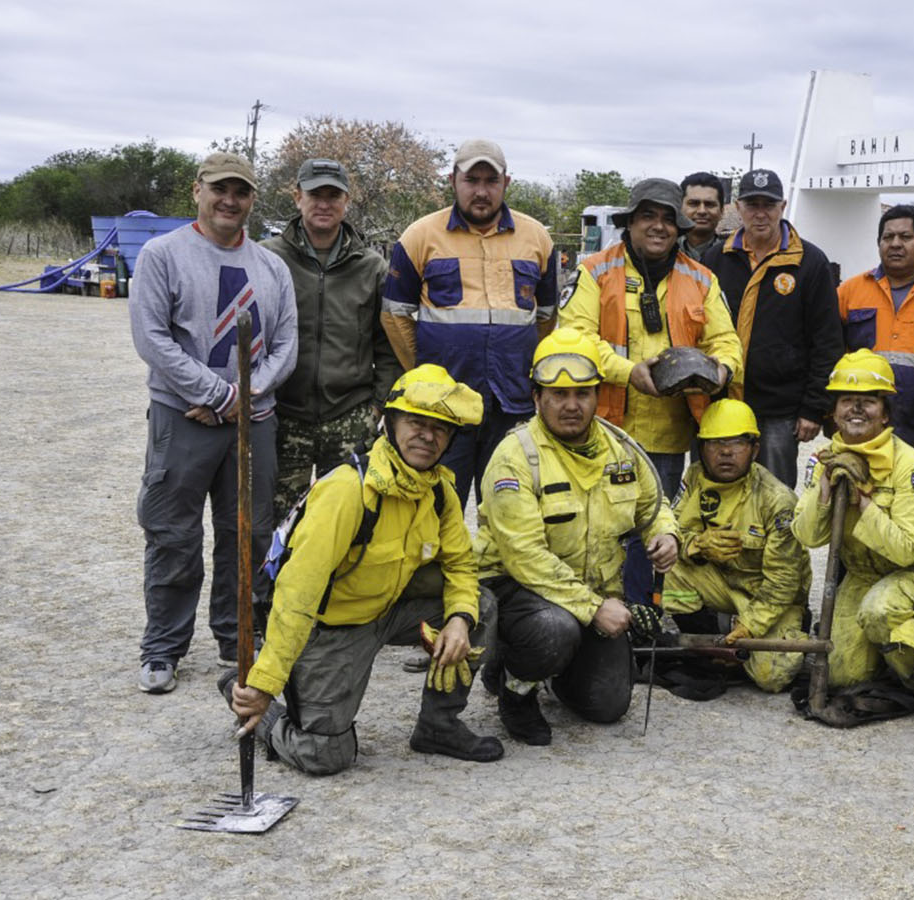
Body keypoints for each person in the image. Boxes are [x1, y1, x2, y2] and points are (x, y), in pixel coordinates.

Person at [225, 365, 504, 771]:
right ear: (388, 422)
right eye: (416, 422)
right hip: (330, 629)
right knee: (323, 755)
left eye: (441, 428)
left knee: (481, 605)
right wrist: (264, 684)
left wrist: (460, 619)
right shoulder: (348, 491)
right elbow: (296, 596)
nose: (427, 435)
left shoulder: (439, 489)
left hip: (387, 610)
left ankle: (439, 725)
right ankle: (247, 699)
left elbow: (461, 564)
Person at [129, 151, 298, 693]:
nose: (230, 200)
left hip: (255, 422)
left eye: (242, 191)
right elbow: (152, 339)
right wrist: (214, 393)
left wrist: (239, 398)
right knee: (173, 534)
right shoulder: (163, 255)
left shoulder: (271, 267)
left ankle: (237, 635)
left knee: (247, 533)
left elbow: (286, 346)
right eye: (219, 189)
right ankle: (163, 647)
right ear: (197, 191)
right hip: (184, 419)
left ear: (253, 199)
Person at [473, 327, 680, 745]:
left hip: (591, 592)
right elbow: (525, 556)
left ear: (597, 396)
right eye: (558, 395)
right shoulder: (514, 457)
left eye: (582, 394)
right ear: (537, 398)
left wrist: (666, 534)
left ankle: (552, 667)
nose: (571, 406)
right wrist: (594, 608)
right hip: (518, 588)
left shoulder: (622, 451)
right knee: (555, 630)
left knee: (607, 706)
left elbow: (653, 505)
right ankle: (514, 685)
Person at [560, 177, 742, 613]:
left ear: (679, 226)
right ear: (631, 223)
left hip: (667, 438)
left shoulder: (701, 278)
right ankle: (587, 613)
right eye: (648, 217)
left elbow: (728, 341)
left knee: (652, 532)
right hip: (602, 429)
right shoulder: (594, 272)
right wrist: (627, 373)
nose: (658, 227)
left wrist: (720, 370)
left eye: (667, 219)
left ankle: (639, 619)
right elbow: (574, 338)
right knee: (592, 527)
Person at [381, 138, 558, 507]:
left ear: (506, 183)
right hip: (443, 409)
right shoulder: (420, 236)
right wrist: (426, 374)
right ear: (452, 181)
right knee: (437, 507)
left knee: (510, 509)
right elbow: (394, 314)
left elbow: (545, 317)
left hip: (512, 404)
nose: (481, 191)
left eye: (490, 181)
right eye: (471, 180)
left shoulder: (536, 238)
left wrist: (524, 370)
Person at [791, 350, 914, 715]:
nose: (856, 409)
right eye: (847, 401)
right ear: (834, 412)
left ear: (885, 412)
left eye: (868, 402)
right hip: (866, 573)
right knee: (841, 675)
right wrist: (824, 490)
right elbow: (807, 537)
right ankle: (890, 650)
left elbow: (904, 551)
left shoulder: (910, 466)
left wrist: (863, 502)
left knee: (881, 610)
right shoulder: (824, 460)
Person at [264, 158, 400, 518]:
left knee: (346, 522)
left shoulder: (372, 268)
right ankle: (275, 578)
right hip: (283, 416)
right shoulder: (267, 258)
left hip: (350, 418)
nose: (323, 204)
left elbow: (389, 344)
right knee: (275, 525)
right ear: (297, 197)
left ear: (346, 201)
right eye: (315, 194)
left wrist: (377, 406)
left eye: (333, 195)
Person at [702, 169, 844, 488]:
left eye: (769, 204)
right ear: (737, 208)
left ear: (783, 205)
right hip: (724, 400)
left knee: (775, 493)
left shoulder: (810, 261)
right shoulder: (717, 257)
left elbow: (827, 341)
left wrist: (813, 408)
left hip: (781, 409)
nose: (760, 213)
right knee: (721, 489)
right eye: (752, 204)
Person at [661, 399, 813, 691]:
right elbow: (672, 530)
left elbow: (785, 580)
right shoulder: (694, 476)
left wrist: (752, 625)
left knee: (772, 676)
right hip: (720, 582)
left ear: (755, 450)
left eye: (737, 443)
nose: (726, 452)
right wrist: (696, 546)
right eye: (716, 443)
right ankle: (712, 650)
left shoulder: (777, 500)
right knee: (668, 568)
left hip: (766, 596)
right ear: (702, 448)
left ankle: (782, 628)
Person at [835, 204, 914, 490]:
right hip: (865, 432)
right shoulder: (850, 291)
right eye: (887, 237)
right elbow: (830, 353)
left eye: (905, 237)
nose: (894, 244)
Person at [678, 171, 727, 261]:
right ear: (680, 208)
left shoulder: (733, 257)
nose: (702, 211)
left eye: (709, 204)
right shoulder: (664, 253)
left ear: (722, 211)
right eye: (693, 204)